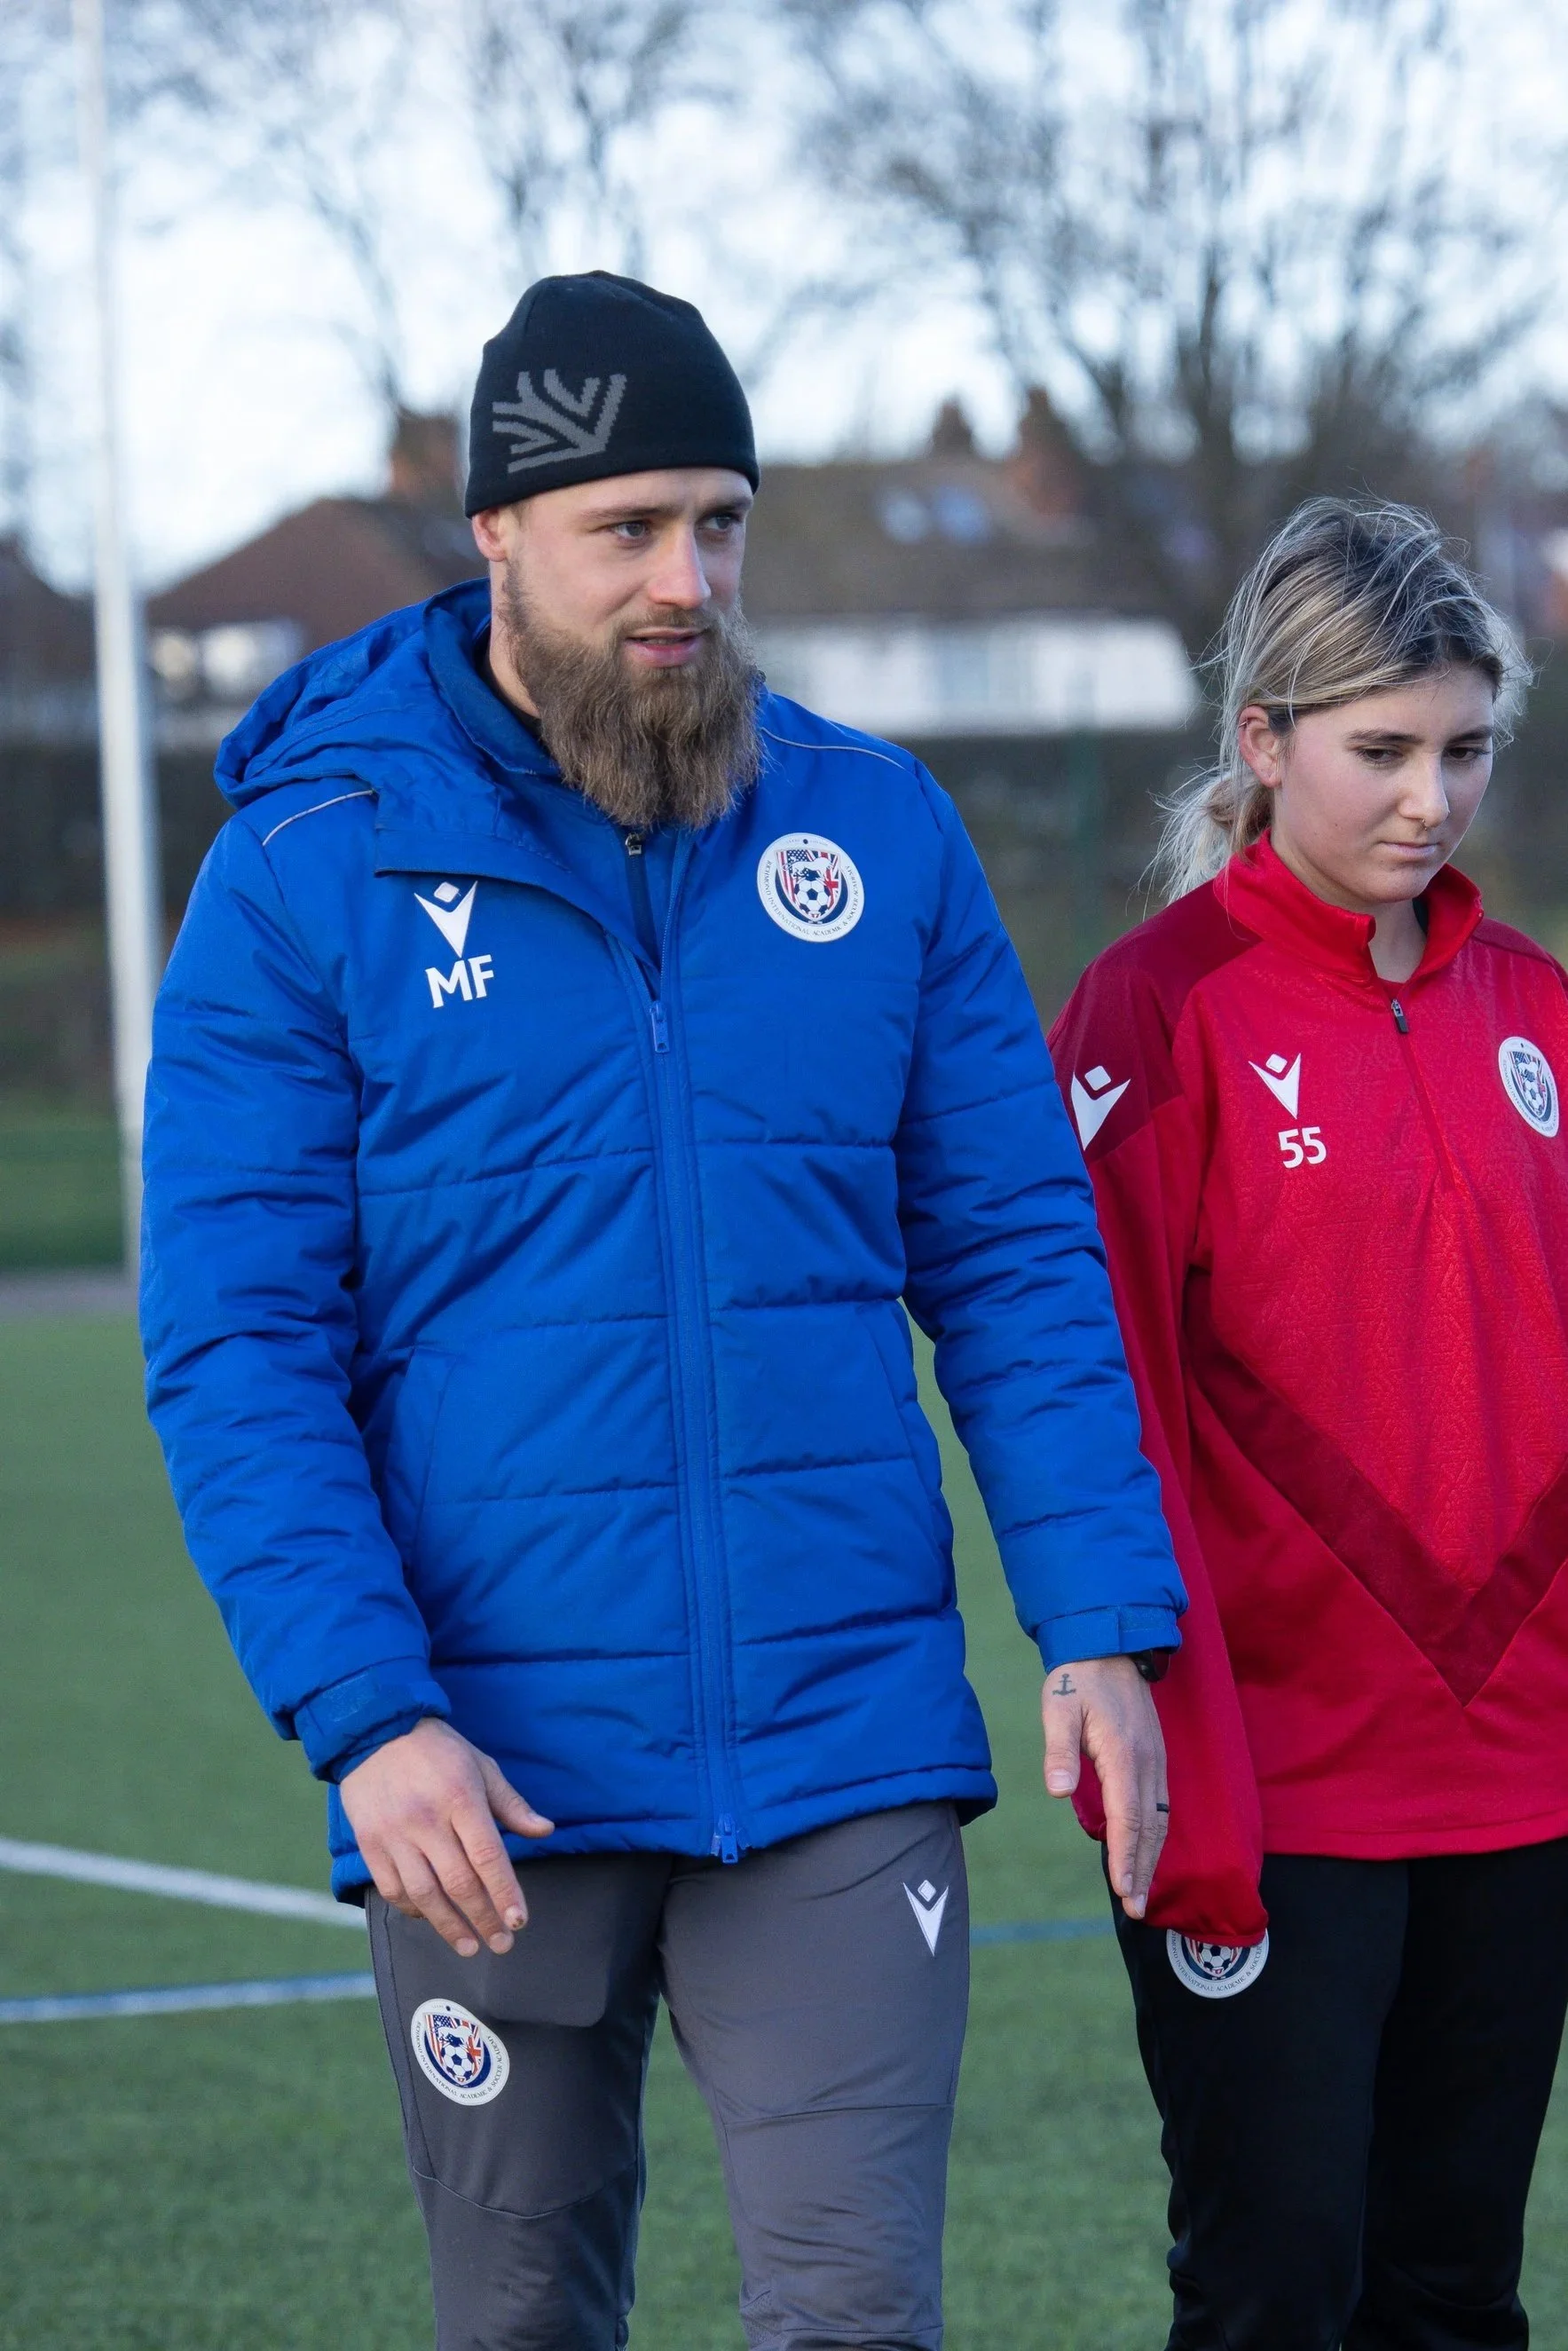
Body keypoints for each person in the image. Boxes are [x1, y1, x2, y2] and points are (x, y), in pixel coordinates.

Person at [140, 270, 1184, 2351]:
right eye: (627, 528)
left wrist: (1097, 1619)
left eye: (718, 520)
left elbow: (1012, 1256)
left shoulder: (875, 833)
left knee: (853, 2314)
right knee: (522, 2319)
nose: (686, 578)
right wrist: (365, 1714)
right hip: (486, 1768)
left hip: (840, 1735)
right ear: (495, 536)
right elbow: (241, 1344)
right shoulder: (305, 872)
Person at [1048, 495, 1568, 2351]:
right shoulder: (1155, 1010)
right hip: (1266, 1781)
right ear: (1261, 744)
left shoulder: (1540, 1014)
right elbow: (1083, 1397)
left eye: (1464, 748)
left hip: (1522, 1779)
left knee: (1456, 2298)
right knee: (1277, 2292)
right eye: (1380, 751)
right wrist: (1133, 1701)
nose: (1429, 798)